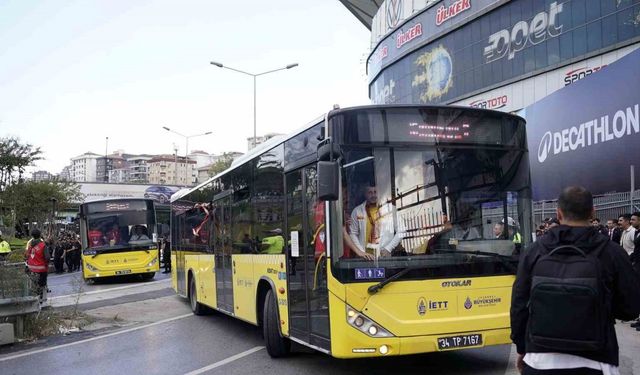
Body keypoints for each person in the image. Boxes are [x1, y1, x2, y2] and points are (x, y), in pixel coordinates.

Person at [511, 186, 640, 374]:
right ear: (592, 212)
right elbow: (630, 308)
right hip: (597, 359)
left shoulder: (534, 251)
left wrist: (522, 347)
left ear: (558, 213)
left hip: (539, 358)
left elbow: (518, 304)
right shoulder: (611, 252)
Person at [350, 184, 403, 258]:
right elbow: (353, 233)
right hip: (364, 257)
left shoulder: (391, 209)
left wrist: (388, 248)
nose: (373, 195)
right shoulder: (357, 211)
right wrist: (360, 251)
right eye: (370, 192)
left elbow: (402, 230)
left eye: (375, 192)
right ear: (365, 194)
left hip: (383, 256)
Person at [25, 229, 50, 302]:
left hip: (31, 269)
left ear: (32, 236)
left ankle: (35, 299)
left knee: (34, 285)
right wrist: (46, 264)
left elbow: (27, 255)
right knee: (42, 285)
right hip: (41, 269)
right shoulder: (43, 245)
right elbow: (47, 257)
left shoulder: (30, 245)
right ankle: (41, 299)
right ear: (40, 235)